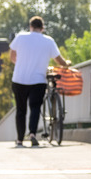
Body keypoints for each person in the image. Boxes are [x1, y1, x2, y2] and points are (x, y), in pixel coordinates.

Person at [10, 16, 70, 147]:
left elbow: (12, 56)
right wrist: (67, 64)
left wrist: (21, 63)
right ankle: (32, 134)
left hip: (19, 79)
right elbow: (59, 60)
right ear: (42, 28)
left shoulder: (20, 37)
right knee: (35, 107)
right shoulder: (48, 41)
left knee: (21, 110)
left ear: (30, 26)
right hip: (38, 81)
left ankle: (20, 139)